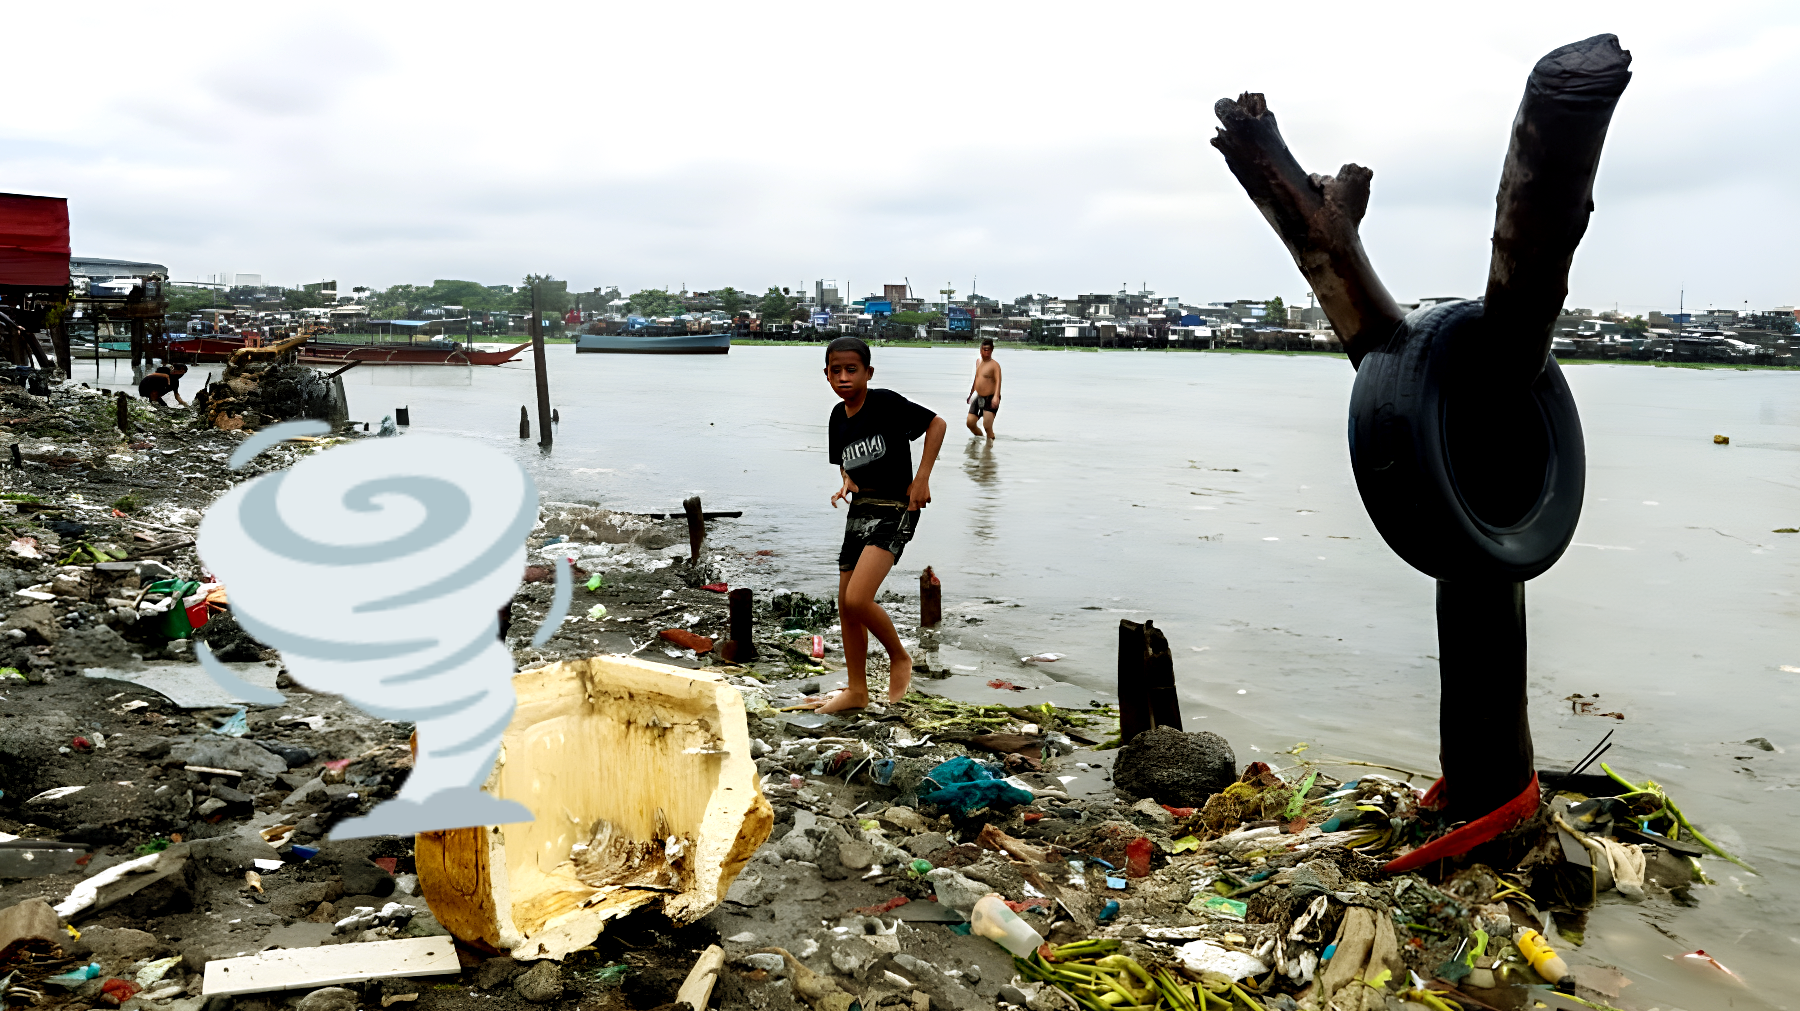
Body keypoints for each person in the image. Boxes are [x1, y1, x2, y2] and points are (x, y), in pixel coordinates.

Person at [818, 336, 946, 713]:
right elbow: (844, 460)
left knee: (859, 598)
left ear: (868, 373)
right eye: (835, 371)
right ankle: (857, 690)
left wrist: (921, 478)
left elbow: (936, 424)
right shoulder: (837, 418)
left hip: (896, 507)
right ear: (826, 375)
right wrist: (845, 479)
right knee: (845, 605)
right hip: (860, 508)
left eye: (851, 370)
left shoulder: (886, 403)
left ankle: (899, 657)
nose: (843, 377)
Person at [965, 337, 1002, 439]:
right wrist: (971, 394)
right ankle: (979, 439)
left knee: (987, 426)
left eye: (988, 350)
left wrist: (996, 397)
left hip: (990, 398)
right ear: (980, 350)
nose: (986, 352)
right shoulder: (978, 362)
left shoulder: (995, 365)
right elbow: (976, 378)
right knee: (970, 423)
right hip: (979, 397)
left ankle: (989, 449)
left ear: (992, 350)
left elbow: (998, 381)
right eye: (984, 349)